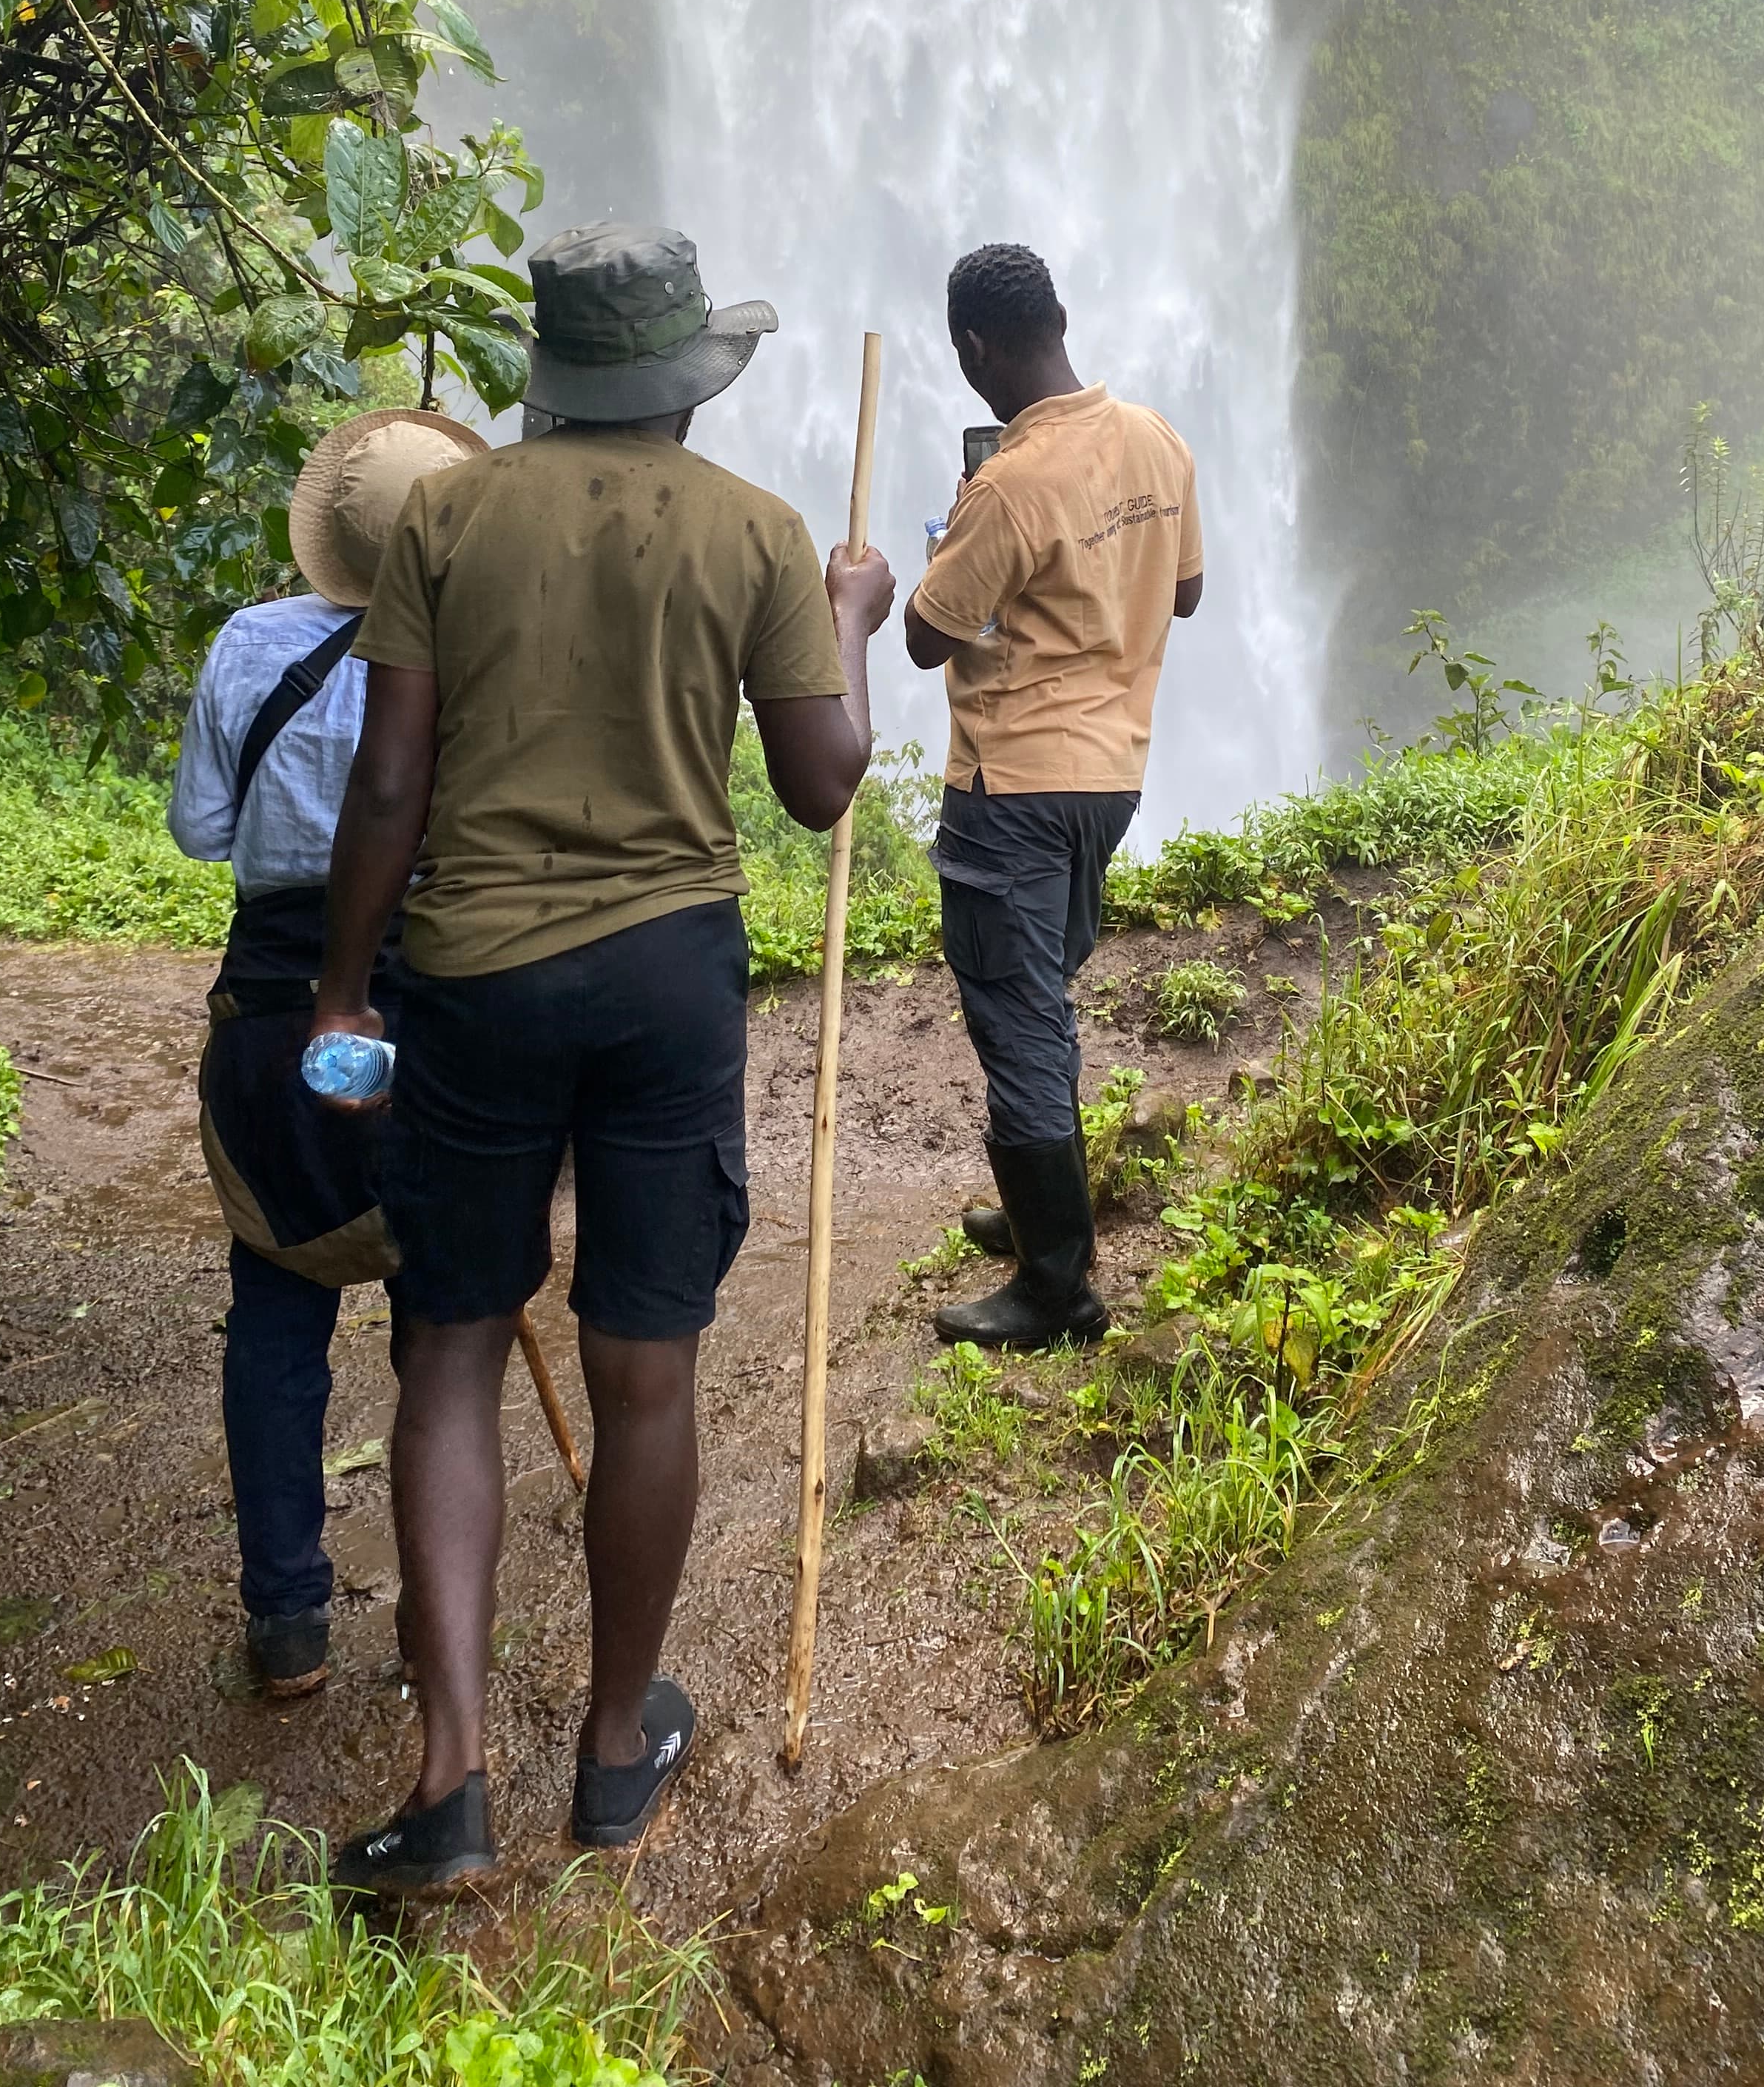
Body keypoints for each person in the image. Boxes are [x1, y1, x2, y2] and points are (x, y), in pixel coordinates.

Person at [311, 221, 895, 1895]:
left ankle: (451, 1786)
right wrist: (854, 616)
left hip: (479, 976)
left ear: (554, 375)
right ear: (689, 383)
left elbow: (389, 783)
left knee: (450, 1355)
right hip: (666, 986)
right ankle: (618, 1749)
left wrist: (344, 995)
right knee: (647, 1367)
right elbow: (822, 781)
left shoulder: (445, 512)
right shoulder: (762, 535)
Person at [169, 405, 488, 1696]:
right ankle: (433, 1618)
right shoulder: (481, 655)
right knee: (440, 1328)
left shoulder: (252, 645)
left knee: (275, 1306)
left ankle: (288, 1618)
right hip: (432, 1007)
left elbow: (201, 831)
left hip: (271, 1017)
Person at [903, 243, 1202, 1352]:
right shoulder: (1154, 439)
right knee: (1040, 997)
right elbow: (1189, 588)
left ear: (975, 347)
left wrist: (958, 539)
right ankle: (1039, 1217)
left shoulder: (1008, 485)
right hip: (1109, 779)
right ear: (1061, 319)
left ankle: (1057, 1288)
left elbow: (929, 635)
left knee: (1019, 1018)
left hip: (1013, 787)